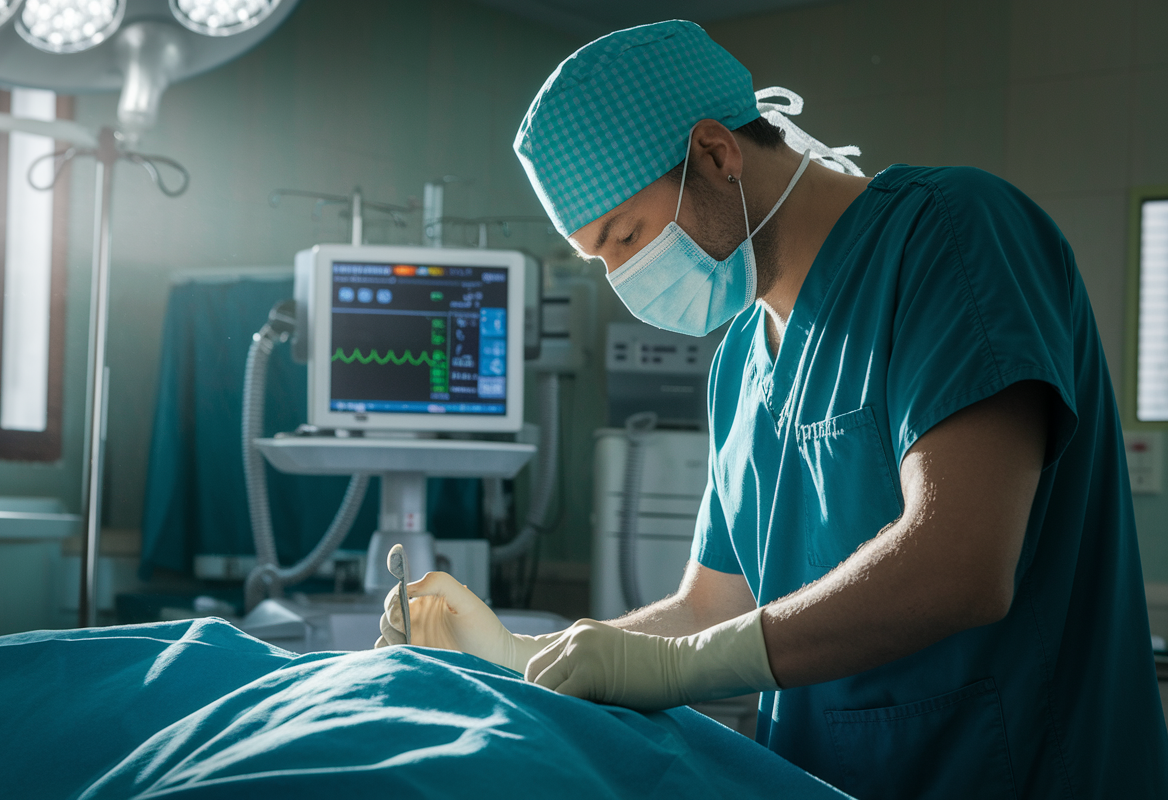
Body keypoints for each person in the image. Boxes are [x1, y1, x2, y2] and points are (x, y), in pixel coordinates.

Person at [377, 19, 1168, 799]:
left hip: (1015, 770)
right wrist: (523, 657)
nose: (621, 277)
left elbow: (961, 563)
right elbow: (711, 605)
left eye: (626, 236)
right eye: (600, 257)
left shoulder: (954, 234)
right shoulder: (740, 363)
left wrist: (677, 670)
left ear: (717, 154)